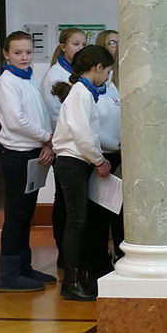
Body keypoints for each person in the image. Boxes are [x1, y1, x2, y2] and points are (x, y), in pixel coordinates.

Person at [0, 31, 56, 291]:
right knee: (16, 215)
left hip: (32, 153)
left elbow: (39, 114)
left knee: (26, 213)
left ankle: (24, 267)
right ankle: (8, 275)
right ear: (6, 54)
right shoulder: (6, 82)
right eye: (17, 53)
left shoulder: (29, 78)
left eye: (28, 52)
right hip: (16, 156)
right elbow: (16, 121)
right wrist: (47, 138)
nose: (24, 57)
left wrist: (44, 142)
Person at [51, 44, 113, 301]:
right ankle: (71, 283)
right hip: (72, 162)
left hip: (78, 162)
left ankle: (78, 278)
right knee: (75, 222)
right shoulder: (80, 93)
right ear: (97, 68)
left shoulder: (84, 92)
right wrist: (99, 161)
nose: (108, 77)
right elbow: (82, 134)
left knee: (80, 221)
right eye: (107, 71)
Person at [41, 27, 87, 265]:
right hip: (65, 148)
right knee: (65, 203)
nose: (80, 48)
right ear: (63, 47)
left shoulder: (80, 73)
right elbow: (55, 114)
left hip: (82, 148)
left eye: (83, 44)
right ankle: (64, 255)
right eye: (75, 44)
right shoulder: (55, 75)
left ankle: (78, 254)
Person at [84, 31, 123, 288]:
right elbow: (87, 130)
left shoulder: (109, 85)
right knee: (97, 217)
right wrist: (100, 158)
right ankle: (94, 268)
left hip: (116, 155)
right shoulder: (83, 92)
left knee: (118, 213)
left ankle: (119, 258)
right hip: (99, 158)